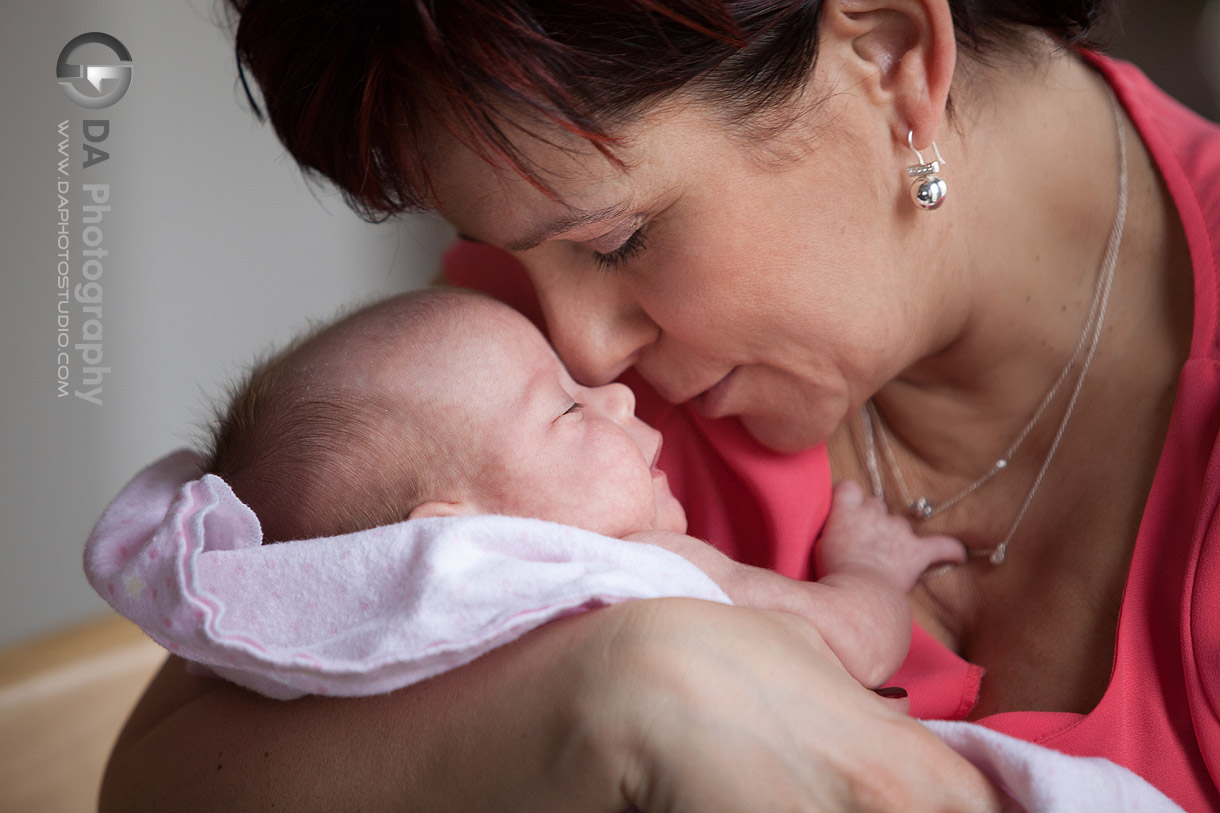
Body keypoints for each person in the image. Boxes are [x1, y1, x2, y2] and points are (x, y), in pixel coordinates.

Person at [100, 0, 1220, 810]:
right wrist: (616, 688)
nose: (582, 346)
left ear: (886, 59)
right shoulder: (506, 388)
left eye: (619, 240)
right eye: (519, 261)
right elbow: (159, 776)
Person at [138, 286, 961, 694]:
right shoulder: (633, 573)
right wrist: (872, 571)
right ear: (458, 541)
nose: (618, 391)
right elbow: (855, 643)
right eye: (567, 406)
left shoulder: (379, 682)